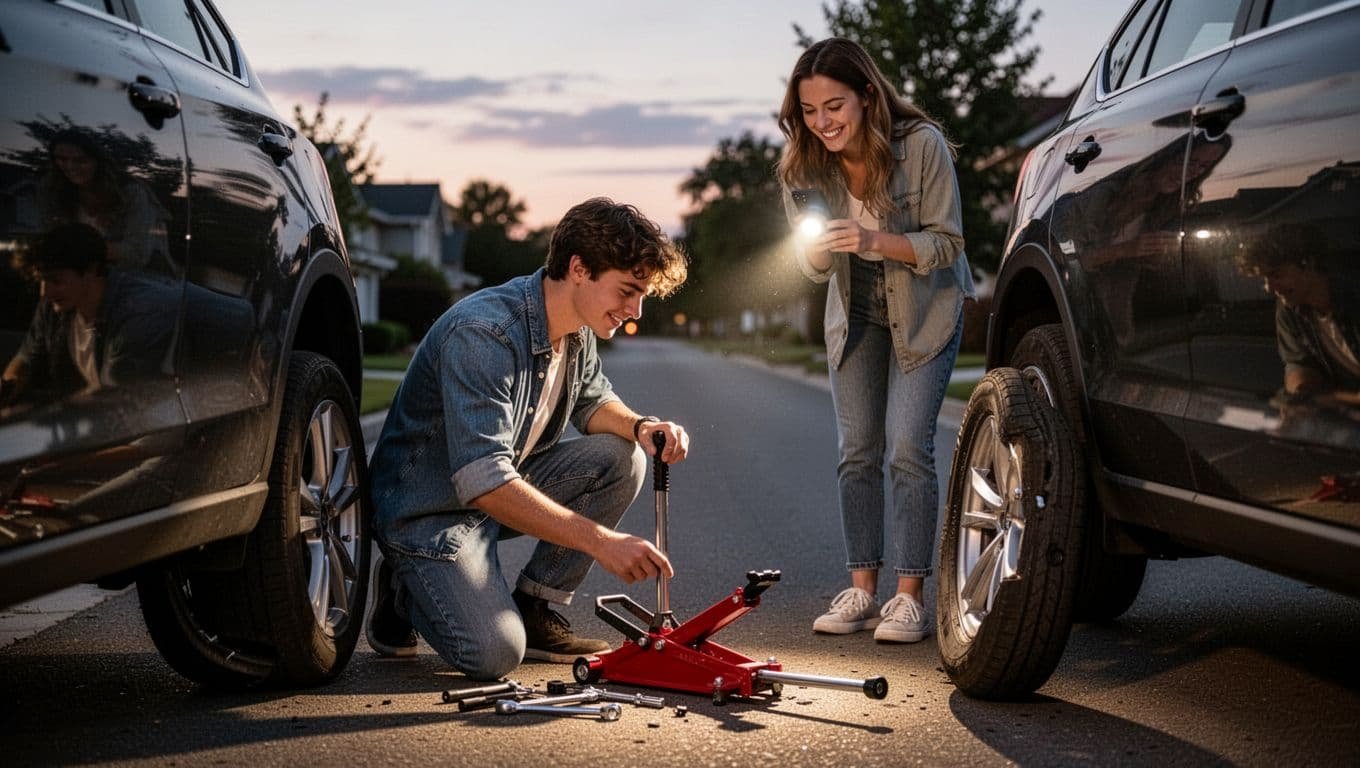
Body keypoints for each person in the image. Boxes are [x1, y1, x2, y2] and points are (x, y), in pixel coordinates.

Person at [365, 197, 690, 680]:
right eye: (626, 290)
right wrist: (601, 542)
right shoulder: (485, 334)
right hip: (431, 513)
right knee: (495, 654)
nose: (635, 309)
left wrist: (643, 427)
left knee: (623, 458)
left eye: (640, 294)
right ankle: (403, 586)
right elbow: (485, 481)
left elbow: (592, 402)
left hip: (490, 492)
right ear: (579, 268)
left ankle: (537, 608)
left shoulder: (577, 330)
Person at [777, 38, 974, 643]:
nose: (822, 123)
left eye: (833, 106)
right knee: (856, 451)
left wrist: (874, 242)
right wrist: (813, 252)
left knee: (909, 449)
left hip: (925, 309)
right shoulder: (802, 166)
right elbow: (810, 267)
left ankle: (908, 597)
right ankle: (862, 591)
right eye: (809, 112)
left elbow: (948, 243)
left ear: (867, 96)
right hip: (856, 312)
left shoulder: (921, 147)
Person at [38, 128, 178, 278]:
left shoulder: (131, 193)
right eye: (62, 159)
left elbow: (137, 254)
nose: (70, 167)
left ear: (97, 162)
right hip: (85, 281)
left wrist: (83, 247)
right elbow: (50, 240)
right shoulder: (54, 191)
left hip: (143, 280)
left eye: (81, 160)